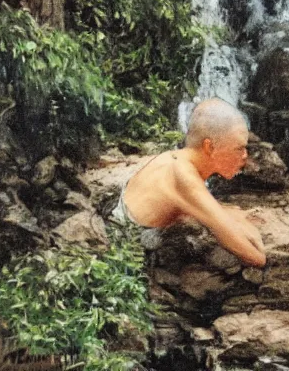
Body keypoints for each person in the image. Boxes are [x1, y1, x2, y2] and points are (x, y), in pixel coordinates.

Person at [112, 98, 266, 267]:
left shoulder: (175, 158)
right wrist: (247, 230)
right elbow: (256, 257)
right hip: (124, 250)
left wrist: (231, 216)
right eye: (239, 148)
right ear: (209, 147)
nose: (245, 156)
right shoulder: (184, 177)